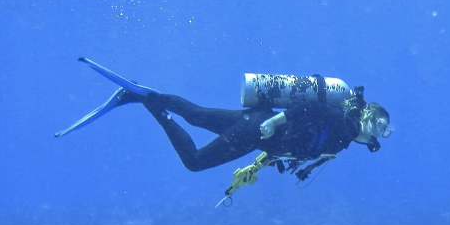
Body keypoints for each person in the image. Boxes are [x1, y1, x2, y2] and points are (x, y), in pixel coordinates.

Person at [56, 58, 391, 180]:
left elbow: (303, 143)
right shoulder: (338, 117)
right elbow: (309, 111)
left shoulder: (344, 140)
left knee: (197, 115)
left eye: (383, 133)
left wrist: (267, 159)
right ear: (366, 115)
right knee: (195, 162)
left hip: (257, 126)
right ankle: (152, 105)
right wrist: (275, 125)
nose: (378, 135)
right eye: (378, 125)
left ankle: (146, 96)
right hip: (259, 130)